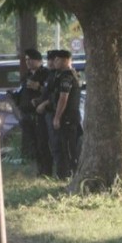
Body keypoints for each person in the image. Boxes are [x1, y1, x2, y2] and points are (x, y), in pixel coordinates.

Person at [45, 49, 82, 180]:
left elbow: (63, 98)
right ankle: (64, 174)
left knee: (68, 147)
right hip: (68, 116)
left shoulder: (67, 76)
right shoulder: (62, 75)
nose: (54, 62)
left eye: (57, 60)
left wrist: (57, 117)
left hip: (68, 117)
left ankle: (71, 174)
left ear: (66, 60)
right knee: (62, 146)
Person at [14, 48, 51, 174]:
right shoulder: (27, 75)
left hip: (39, 114)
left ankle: (46, 170)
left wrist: (38, 87)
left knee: (42, 144)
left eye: (31, 59)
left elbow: (50, 94)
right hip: (26, 114)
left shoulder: (46, 74)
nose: (28, 62)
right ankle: (37, 169)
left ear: (39, 61)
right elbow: (20, 93)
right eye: (27, 60)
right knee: (32, 144)